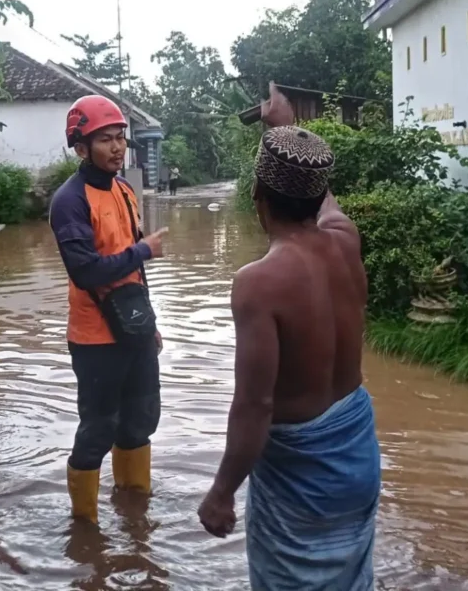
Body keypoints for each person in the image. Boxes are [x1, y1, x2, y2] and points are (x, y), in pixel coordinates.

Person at [198, 83, 380, 590]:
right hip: (357, 457)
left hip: (302, 480)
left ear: (257, 195)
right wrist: (286, 128)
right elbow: (326, 203)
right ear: (317, 195)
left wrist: (221, 492)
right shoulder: (345, 242)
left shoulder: (258, 283)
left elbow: (254, 406)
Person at [49, 95, 169, 524]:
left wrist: (150, 322)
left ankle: (135, 514)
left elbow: (134, 270)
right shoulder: (69, 201)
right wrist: (143, 251)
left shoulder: (123, 189)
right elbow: (85, 271)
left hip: (135, 329)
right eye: (106, 139)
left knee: (141, 420)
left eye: (120, 137)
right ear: (81, 148)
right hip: (95, 338)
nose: (118, 147)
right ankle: (85, 528)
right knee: (99, 429)